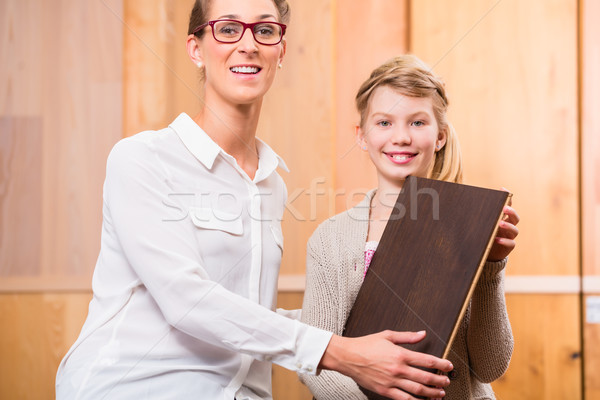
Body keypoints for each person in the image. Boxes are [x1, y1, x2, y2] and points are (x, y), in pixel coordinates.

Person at [55, 2, 453, 400]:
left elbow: (245, 311)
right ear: (196, 48)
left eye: (264, 30)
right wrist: (339, 351)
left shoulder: (270, 184)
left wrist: (349, 314)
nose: (247, 44)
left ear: (280, 51)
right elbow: (187, 300)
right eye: (228, 29)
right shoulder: (143, 158)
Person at [299, 54, 519, 400]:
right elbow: (316, 360)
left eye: (417, 123)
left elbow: (490, 367)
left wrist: (492, 267)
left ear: (441, 136)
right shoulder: (330, 240)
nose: (401, 137)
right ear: (361, 136)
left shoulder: (471, 222)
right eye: (384, 123)